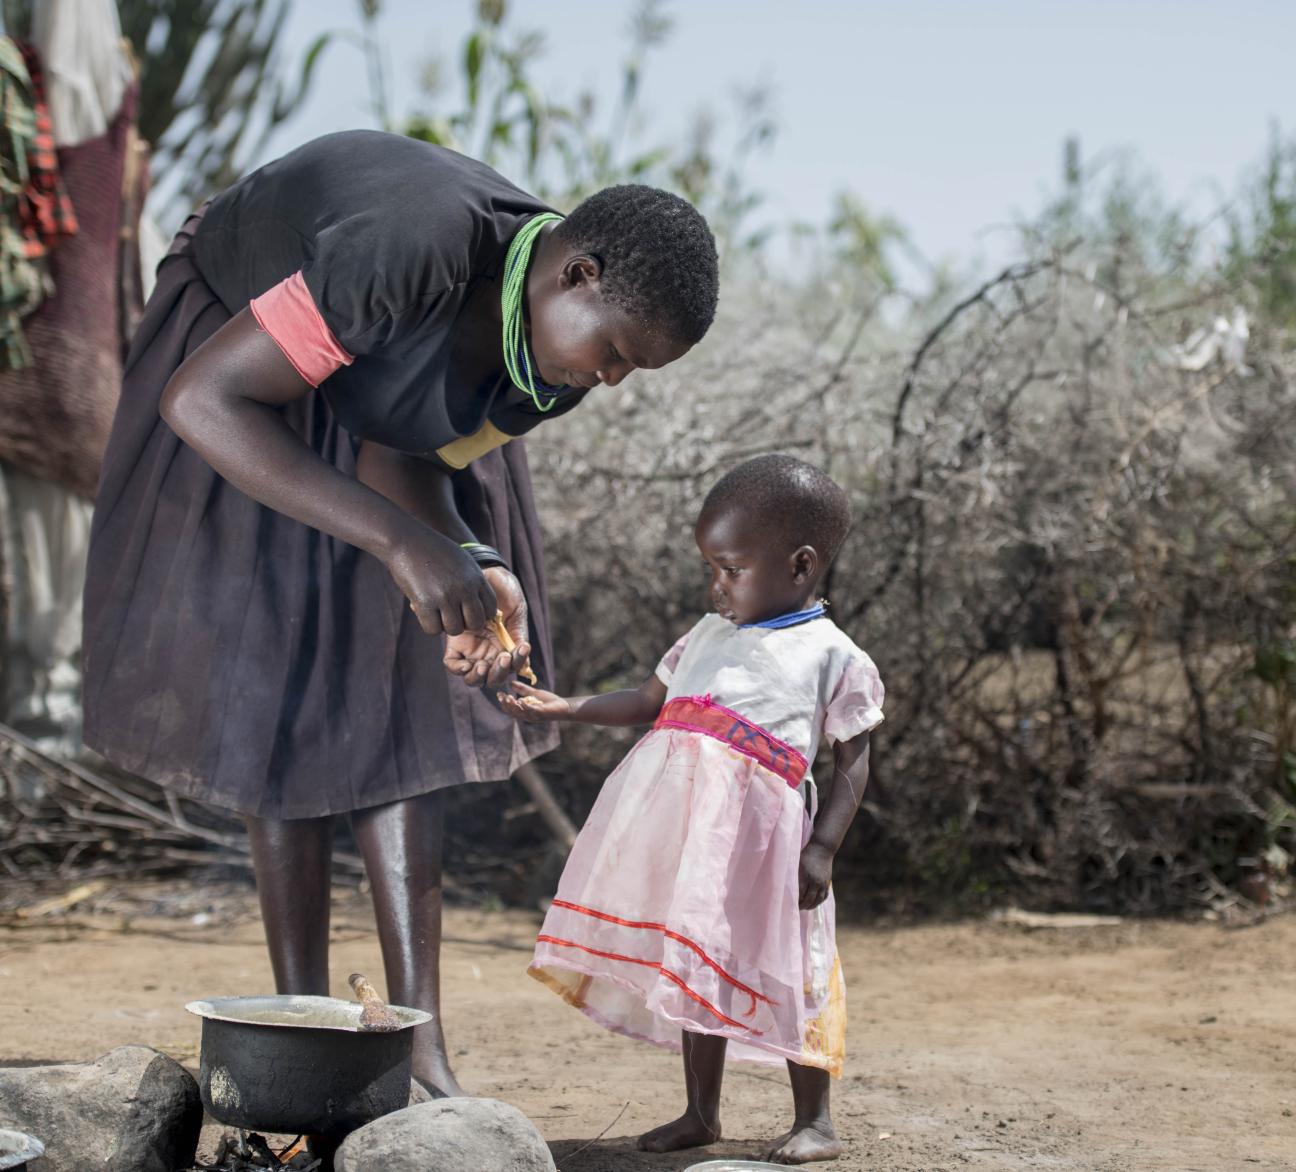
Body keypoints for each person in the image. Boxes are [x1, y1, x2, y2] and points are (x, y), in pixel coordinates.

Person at [81, 129, 719, 1098]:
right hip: (244, 357)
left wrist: (470, 558)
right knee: (277, 688)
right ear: (575, 274)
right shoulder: (406, 245)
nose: (612, 380)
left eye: (636, 369)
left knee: (407, 697)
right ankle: (297, 1034)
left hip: (356, 369)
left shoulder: (553, 352)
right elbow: (205, 400)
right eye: (619, 353)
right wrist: (396, 543)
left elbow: (404, 454)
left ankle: (417, 1048)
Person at [500, 454, 884, 1165]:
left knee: (795, 969)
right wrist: (564, 706)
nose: (717, 585)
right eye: (712, 567)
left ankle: (816, 1121)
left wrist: (823, 847)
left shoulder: (834, 655)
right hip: (692, 841)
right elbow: (648, 706)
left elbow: (852, 760)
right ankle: (699, 1114)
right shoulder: (704, 636)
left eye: (731, 569)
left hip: (770, 850)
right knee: (696, 963)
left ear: (800, 567)